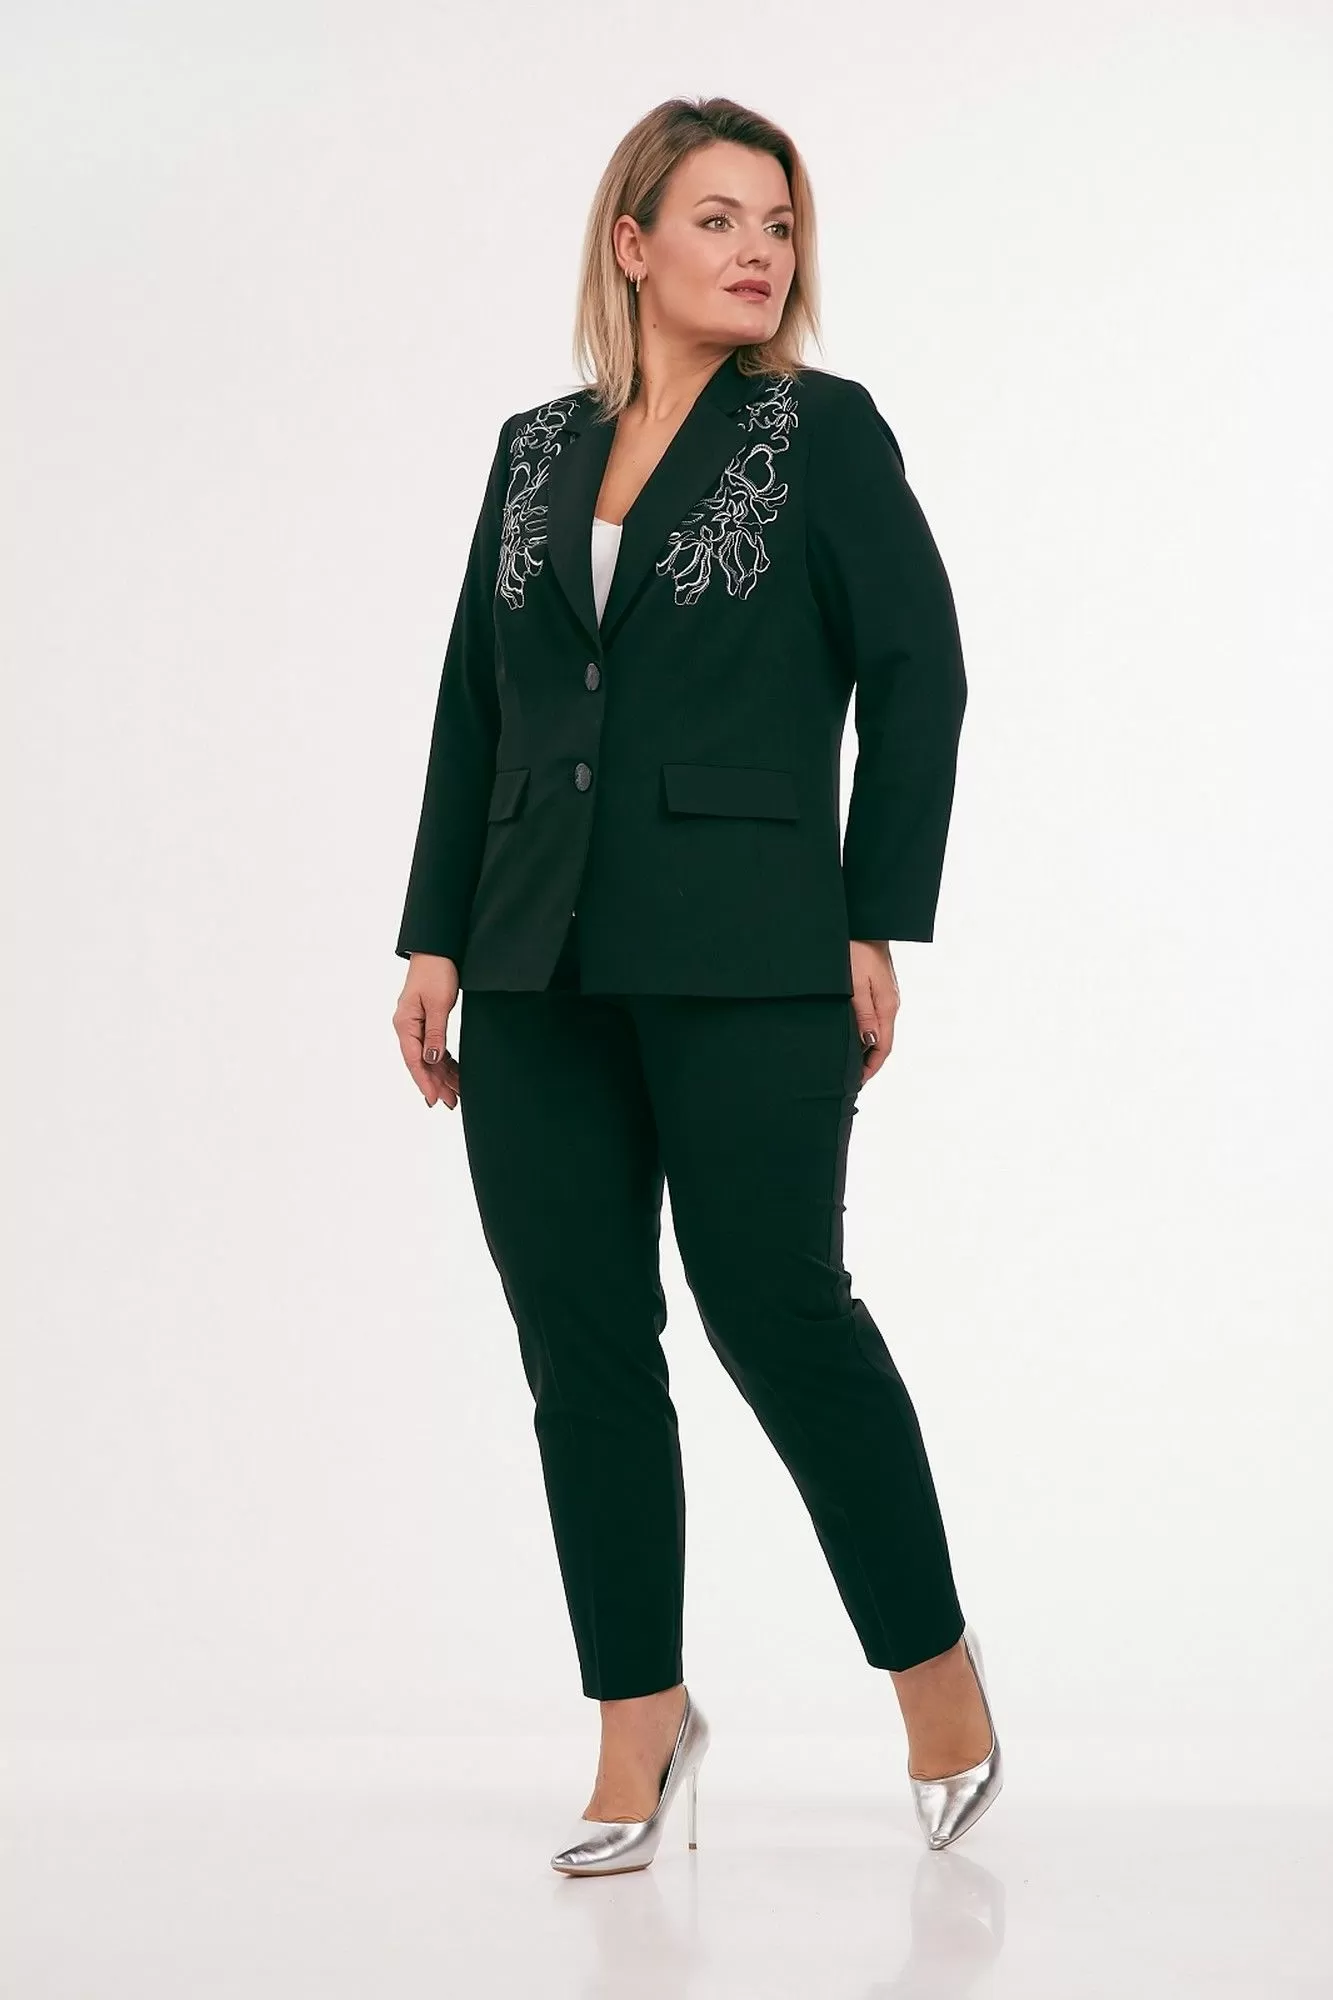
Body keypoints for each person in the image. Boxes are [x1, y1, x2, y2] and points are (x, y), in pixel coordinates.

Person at [391, 95, 1003, 1873]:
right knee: (581, 1343)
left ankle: (936, 1673)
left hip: (750, 951)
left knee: (778, 1315)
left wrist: (872, 919)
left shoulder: (820, 432)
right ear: (633, 242)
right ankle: (638, 1728)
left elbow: (921, 671)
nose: (759, 253)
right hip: (534, 959)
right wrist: (434, 934)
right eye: (721, 218)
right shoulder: (532, 451)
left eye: (781, 225)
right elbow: (475, 705)